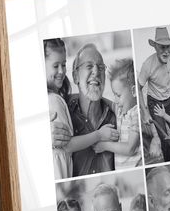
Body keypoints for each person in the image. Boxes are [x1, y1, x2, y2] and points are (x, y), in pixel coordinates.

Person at [49, 43, 120, 178]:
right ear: (75, 77)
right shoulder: (63, 112)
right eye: (89, 66)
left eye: (100, 68)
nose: (96, 72)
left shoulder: (118, 117)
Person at [138, 27, 170, 141]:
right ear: (155, 47)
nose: (166, 51)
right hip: (154, 102)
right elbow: (138, 88)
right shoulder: (147, 65)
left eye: (168, 46)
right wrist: (144, 112)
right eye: (162, 47)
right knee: (165, 137)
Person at [96, 58, 141, 169]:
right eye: (114, 94)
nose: (116, 100)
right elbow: (112, 104)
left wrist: (104, 145)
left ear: (134, 91)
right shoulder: (121, 111)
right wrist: (97, 96)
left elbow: (130, 149)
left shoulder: (136, 113)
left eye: (118, 95)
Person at [44, 39, 75, 179]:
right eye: (55, 66)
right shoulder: (53, 100)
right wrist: (98, 136)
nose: (62, 71)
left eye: (64, 64)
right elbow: (68, 144)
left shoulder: (56, 97)